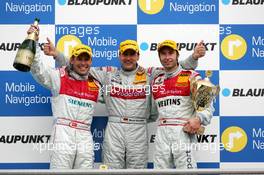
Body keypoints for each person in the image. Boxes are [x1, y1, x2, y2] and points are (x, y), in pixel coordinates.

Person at [44, 39, 205, 169]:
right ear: (119, 55)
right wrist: (57, 55)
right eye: (125, 54)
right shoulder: (108, 73)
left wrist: (194, 57)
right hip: (114, 127)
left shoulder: (151, 74)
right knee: (111, 168)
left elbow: (175, 67)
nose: (128, 58)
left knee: (137, 170)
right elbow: (80, 66)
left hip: (138, 128)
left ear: (138, 55)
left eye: (132, 54)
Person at [28, 26, 101, 169]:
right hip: (63, 133)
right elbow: (38, 69)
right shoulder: (59, 77)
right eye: (79, 59)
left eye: (87, 59)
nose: (83, 63)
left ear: (91, 62)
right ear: (72, 60)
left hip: (85, 134)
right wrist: (34, 43)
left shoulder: (96, 84)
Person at [151, 40, 214, 169]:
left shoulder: (192, 75)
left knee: (187, 170)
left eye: (170, 53)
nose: (167, 57)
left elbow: (207, 103)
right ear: (159, 57)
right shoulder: (156, 79)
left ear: (177, 55)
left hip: (183, 132)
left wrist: (198, 118)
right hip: (162, 132)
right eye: (163, 54)